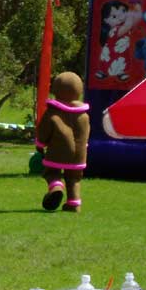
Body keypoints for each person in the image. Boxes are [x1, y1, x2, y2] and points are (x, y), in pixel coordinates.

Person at [35, 71, 90, 213]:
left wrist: (40, 144)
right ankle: (74, 203)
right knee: (74, 178)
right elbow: (85, 134)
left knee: (51, 172)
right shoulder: (84, 116)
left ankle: (56, 187)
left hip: (57, 151)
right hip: (79, 154)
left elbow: (44, 131)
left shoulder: (53, 113)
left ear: (55, 90)